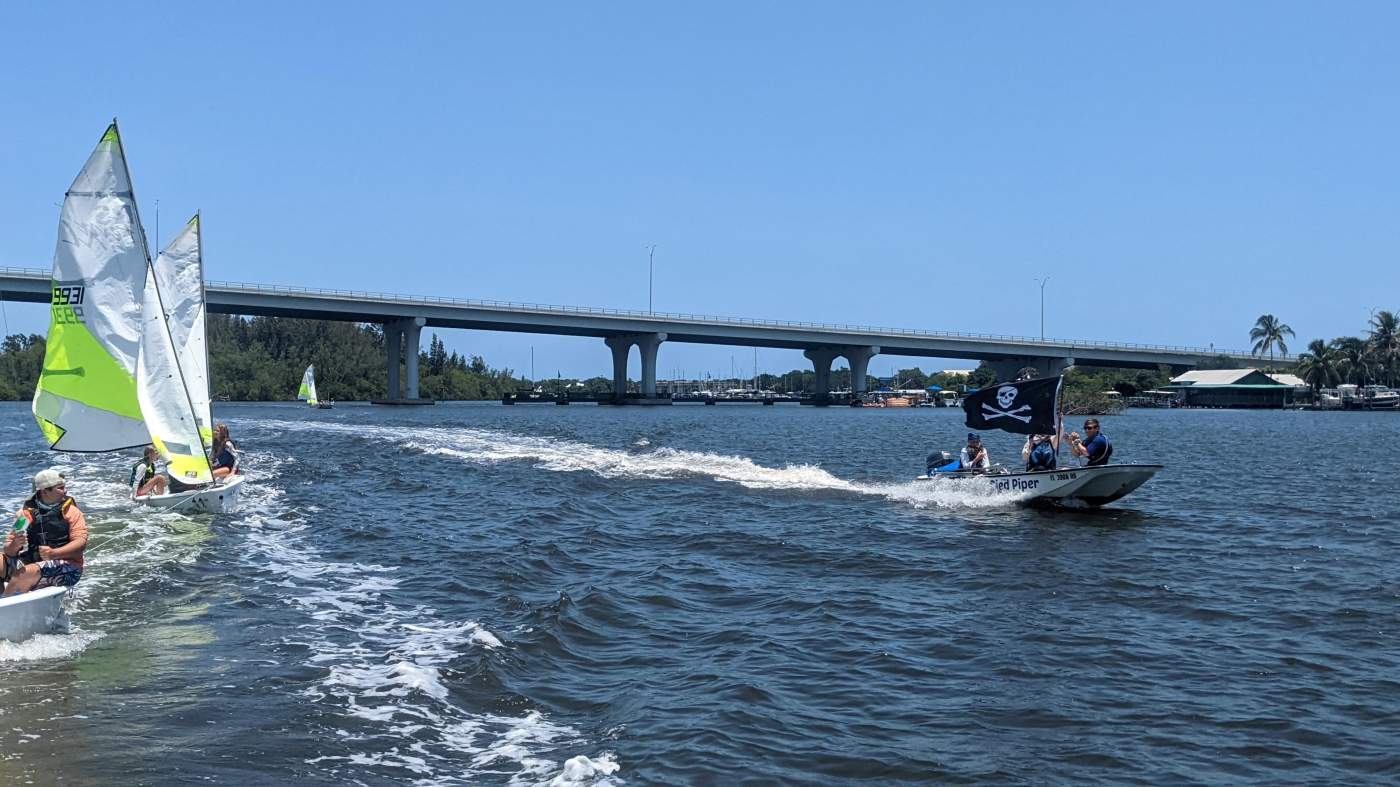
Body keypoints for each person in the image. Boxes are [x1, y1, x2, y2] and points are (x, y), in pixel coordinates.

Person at [2, 468, 87, 596]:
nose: (66, 491)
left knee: (23, 575)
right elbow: (9, 551)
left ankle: (5, 609)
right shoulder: (26, 514)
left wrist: (54, 553)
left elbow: (81, 543)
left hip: (69, 567)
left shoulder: (71, 512)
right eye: (61, 488)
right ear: (44, 491)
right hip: (33, 562)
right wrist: (15, 544)